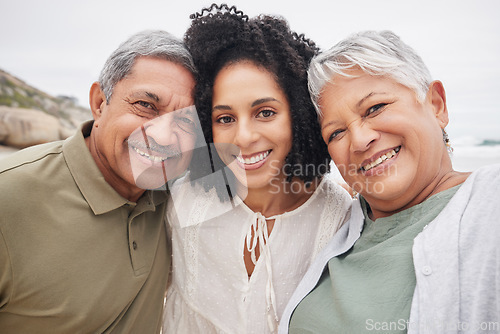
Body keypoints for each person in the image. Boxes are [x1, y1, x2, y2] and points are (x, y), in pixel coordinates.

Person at [279, 30, 500, 333]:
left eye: (375, 108)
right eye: (336, 133)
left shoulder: (489, 205)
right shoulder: (335, 220)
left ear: (436, 105)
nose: (359, 139)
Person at [162, 4, 351, 334]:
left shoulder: (341, 221)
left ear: (299, 114)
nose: (244, 137)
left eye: (265, 112)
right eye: (225, 119)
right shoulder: (179, 202)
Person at [0, 30, 197, 333]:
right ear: (99, 103)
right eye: (145, 105)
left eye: (185, 120)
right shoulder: (8, 198)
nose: (163, 135)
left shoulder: (177, 195)